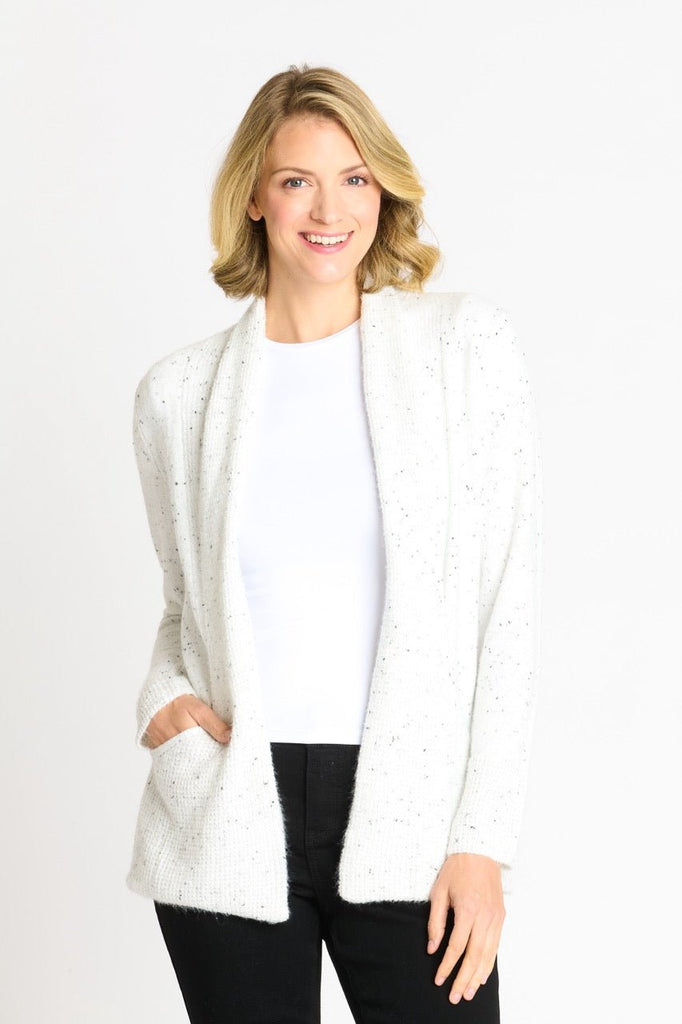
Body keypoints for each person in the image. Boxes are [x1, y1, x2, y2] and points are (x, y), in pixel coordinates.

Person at [126, 64, 543, 1023]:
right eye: (296, 180)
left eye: (354, 178)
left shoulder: (464, 352)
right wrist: (164, 703)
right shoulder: (177, 396)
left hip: (412, 811)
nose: (329, 209)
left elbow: (507, 610)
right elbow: (186, 608)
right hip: (234, 809)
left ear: (383, 191)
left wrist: (482, 842)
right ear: (255, 198)